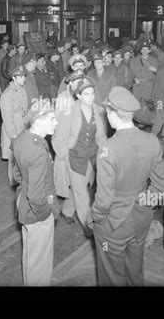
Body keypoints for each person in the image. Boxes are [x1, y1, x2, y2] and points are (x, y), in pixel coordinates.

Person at [88, 86, 164, 286]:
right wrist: (144, 203)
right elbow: (162, 186)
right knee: (135, 271)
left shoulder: (109, 148)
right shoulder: (151, 140)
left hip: (114, 223)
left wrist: (96, 219)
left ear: (113, 114)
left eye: (107, 111)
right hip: (141, 219)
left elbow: (104, 200)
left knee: (111, 276)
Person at [52, 76, 106, 235]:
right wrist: (64, 156)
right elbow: (58, 137)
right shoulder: (70, 112)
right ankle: (90, 227)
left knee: (83, 187)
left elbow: (101, 134)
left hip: (91, 157)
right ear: (79, 96)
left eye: (92, 93)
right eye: (87, 94)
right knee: (82, 195)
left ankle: (67, 210)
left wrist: (104, 146)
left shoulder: (96, 109)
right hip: (74, 159)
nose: (91, 97)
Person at [14, 100, 59, 286]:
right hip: (37, 211)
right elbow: (35, 194)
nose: (56, 123)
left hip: (23, 205)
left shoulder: (21, 138)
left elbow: (17, 173)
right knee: (40, 263)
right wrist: (45, 215)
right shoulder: (39, 150)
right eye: (52, 119)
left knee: (31, 258)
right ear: (39, 120)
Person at [0, 67, 28, 187]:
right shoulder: (7, 95)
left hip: (21, 126)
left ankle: (21, 179)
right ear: (13, 78)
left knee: (21, 156)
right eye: (20, 77)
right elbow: (7, 118)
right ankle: (13, 182)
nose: (23, 79)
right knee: (12, 157)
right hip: (12, 129)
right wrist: (13, 136)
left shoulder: (22, 89)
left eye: (24, 76)